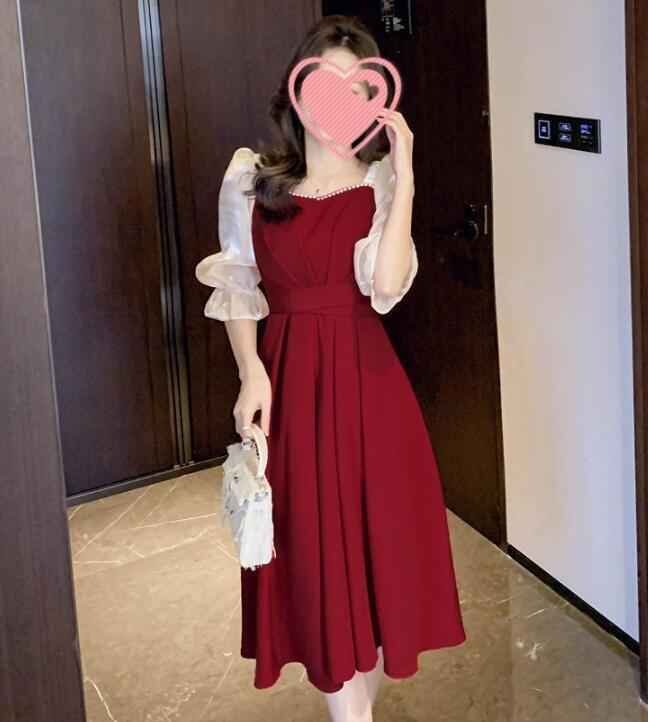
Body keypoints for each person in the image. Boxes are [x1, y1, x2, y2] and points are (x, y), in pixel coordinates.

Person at [195, 14, 466, 722]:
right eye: (325, 80)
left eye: (358, 86)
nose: (340, 99)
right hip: (290, 387)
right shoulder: (251, 180)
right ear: (297, 87)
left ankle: (356, 714)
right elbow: (238, 286)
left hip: (370, 393)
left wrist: (405, 179)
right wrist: (252, 372)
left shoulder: (379, 184)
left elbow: (386, 286)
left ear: (377, 100)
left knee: (375, 563)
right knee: (313, 562)